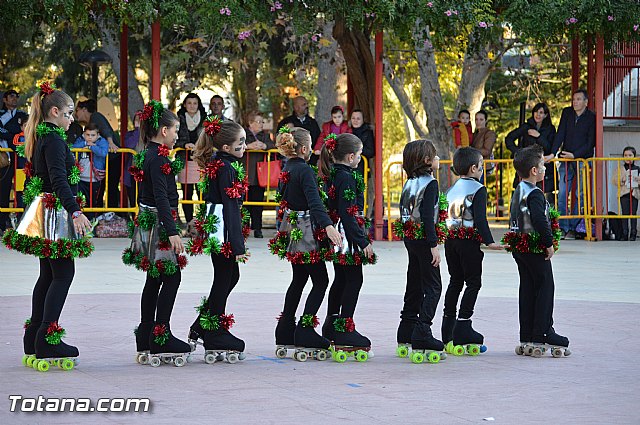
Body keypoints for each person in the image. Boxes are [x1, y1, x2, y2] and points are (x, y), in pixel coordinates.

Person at [2, 83, 93, 371]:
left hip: (47, 210)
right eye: (68, 113)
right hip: (54, 212)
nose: (71, 119)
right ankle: (47, 338)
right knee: (63, 273)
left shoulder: (45, 136)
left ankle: (34, 337)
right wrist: (75, 210)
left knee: (48, 274)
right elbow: (58, 179)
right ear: (54, 112)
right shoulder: (53, 139)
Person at [122, 100, 191, 367]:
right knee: (171, 278)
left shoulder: (147, 153)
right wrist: (173, 231)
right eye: (175, 130)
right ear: (163, 130)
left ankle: (146, 334)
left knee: (154, 279)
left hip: (148, 220)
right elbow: (162, 198)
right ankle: (161, 334)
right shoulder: (159, 157)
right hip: (159, 222)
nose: (177, 135)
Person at [268, 127, 342, 360]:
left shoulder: (287, 168)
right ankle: (306, 328)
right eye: (310, 145)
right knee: (321, 280)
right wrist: (329, 226)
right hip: (307, 230)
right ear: (302, 148)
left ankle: (285, 328)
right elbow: (314, 203)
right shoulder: (305, 171)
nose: (312, 149)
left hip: (292, 227)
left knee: (299, 279)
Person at [186, 116, 250, 362]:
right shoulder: (226, 168)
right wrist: (237, 244)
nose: (244, 146)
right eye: (240, 142)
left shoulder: (221, 163)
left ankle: (203, 325)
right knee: (225, 277)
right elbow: (231, 207)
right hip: (222, 230)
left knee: (229, 276)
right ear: (226, 147)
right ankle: (213, 332)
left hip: (218, 228)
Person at [502, 144, 569, 358]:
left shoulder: (518, 190)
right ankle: (543, 332)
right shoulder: (535, 193)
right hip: (533, 247)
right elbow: (540, 220)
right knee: (545, 286)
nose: (545, 168)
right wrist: (548, 243)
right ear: (534, 171)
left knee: (528, 287)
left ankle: (528, 334)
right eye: (542, 165)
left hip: (519, 246)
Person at [441, 147, 503, 356]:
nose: (483, 169)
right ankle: (464, 325)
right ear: (474, 168)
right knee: (473, 282)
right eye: (481, 165)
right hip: (468, 242)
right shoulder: (478, 189)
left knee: (455, 281)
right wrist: (489, 241)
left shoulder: (450, 189)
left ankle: (447, 327)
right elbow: (480, 219)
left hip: (450, 240)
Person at [320, 133, 376, 360]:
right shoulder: (346, 177)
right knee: (354, 279)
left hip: (341, 231)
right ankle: (345, 328)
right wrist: (363, 241)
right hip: (347, 234)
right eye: (360, 154)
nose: (360, 158)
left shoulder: (335, 173)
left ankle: (332, 324)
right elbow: (347, 212)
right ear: (351, 156)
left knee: (341, 279)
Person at [394, 139, 446, 364]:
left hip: (410, 238)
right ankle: (423, 330)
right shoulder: (430, 183)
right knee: (434, 286)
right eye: (434, 155)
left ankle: (406, 328)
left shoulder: (409, 183)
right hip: (424, 240)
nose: (437, 159)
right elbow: (427, 217)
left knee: (414, 282)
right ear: (426, 160)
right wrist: (434, 244)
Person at [551, 89, 596, 240]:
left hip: (581, 159)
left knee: (581, 194)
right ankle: (563, 228)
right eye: (574, 99)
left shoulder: (591, 117)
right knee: (563, 193)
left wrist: (575, 155)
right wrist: (553, 152)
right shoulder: (567, 113)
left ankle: (575, 227)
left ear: (585, 102)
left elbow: (590, 143)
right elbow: (560, 133)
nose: (575, 102)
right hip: (565, 158)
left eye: (578, 99)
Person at [76, 99, 120, 212]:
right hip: (106, 159)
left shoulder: (95, 117)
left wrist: (110, 143)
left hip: (112, 158)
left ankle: (111, 214)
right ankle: (101, 212)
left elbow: (105, 129)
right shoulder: (92, 121)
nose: (75, 114)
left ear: (84, 110)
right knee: (104, 188)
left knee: (110, 187)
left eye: (77, 110)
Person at [505, 102, 557, 199]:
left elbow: (550, 148)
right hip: (526, 166)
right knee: (523, 196)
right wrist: (518, 152)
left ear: (545, 115)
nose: (538, 114)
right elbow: (509, 138)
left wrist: (539, 136)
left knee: (544, 197)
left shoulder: (550, 129)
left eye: (541, 112)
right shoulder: (526, 126)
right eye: (536, 112)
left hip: (544, 168)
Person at [0, 89, 28, 234]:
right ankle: (2, 223)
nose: (14, 98)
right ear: (4, 99)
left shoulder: (23, 115)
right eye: (11, 96)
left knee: (21, 190)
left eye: (17, 96)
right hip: (7, 159)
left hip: (22, 161)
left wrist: (10, 135)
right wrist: (13, 135)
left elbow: (27, 129)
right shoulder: (1, 114)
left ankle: (21, 220)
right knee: (3, 190)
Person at [243, 110, 275, 238]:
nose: (261, 124)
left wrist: (265, 145)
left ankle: (257, 228)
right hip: (246, 172)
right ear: (250, 123)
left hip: (259, 175)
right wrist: (248, 146)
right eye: (258, 122)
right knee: (244, 203)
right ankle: (244, 228)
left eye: (262, 122)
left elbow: (272, 145)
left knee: (258, 203)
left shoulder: (264, 135)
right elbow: (236, 145)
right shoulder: (243, 134)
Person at [176, 93, 207, 224]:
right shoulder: (178, 119)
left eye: (195, 103)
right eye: (189, 103)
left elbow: (211, 139)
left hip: (201, 161)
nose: (192, 106)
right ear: (184, 105)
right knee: (187, 194)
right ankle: (189, 222)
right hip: (185, 161)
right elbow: (173, 138)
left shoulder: (206, 119)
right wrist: (184, 145)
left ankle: (202, 222)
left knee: (202, 193)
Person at [71, 122, 109, 217]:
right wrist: (85, 143)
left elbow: (103, 152)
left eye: (93, 135)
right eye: (87, 135)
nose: (90, 137)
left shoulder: (102, 141)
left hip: (95, 179)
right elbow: (72, 148)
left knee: (93, 203)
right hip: (80, 179)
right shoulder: (81, 140)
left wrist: (91, 147)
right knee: (80, 202)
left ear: (98, 135)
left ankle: (91, 222)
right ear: (84, 134)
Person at [276, 96, 321, 164]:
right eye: (304, 104)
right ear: (296, 107)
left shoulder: (313, 122)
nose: (307, 106)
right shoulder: (286, 122)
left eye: (307, 104)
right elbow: (279, 141)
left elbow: (319, 139)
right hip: (292, 161)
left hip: (311, 161)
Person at [350, 109, 375, 218]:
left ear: (363, 120)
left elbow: (371, 151)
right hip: (347, 168)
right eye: (353, 118)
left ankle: (359, 217)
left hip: (360, 169)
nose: (355, 121)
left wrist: (357, 151)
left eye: (358, 118)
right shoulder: (347, 130)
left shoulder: (367, 132)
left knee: (358, 194)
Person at [617, 146, 640, 241]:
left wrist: (639, 181)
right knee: (625, 213)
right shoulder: (621, 168)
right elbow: (615, 180)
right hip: (624, 194)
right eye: (625, 155)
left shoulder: (638, 168)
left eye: (630, 155)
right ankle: (624, 232)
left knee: (633, 213)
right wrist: (621, 180)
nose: (628, 157)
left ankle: (633, 233)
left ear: (634, 156)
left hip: (634, 193)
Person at [123, 110, 142, 212]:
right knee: (133, 199)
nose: (139, 121)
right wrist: (138, 130)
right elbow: (129, 144)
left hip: (145, 172)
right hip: (132, 173)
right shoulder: (130, 134)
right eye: (137, 119)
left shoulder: (150, 136)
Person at [471, 110, 496, 180]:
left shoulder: (489, 133)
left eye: (481, 119)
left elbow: (487, 151)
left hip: (483, 166)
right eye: (476, 119)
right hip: (474, 166)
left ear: (486, 121)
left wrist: (470, 151)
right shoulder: (475, 134)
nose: (478, 122)